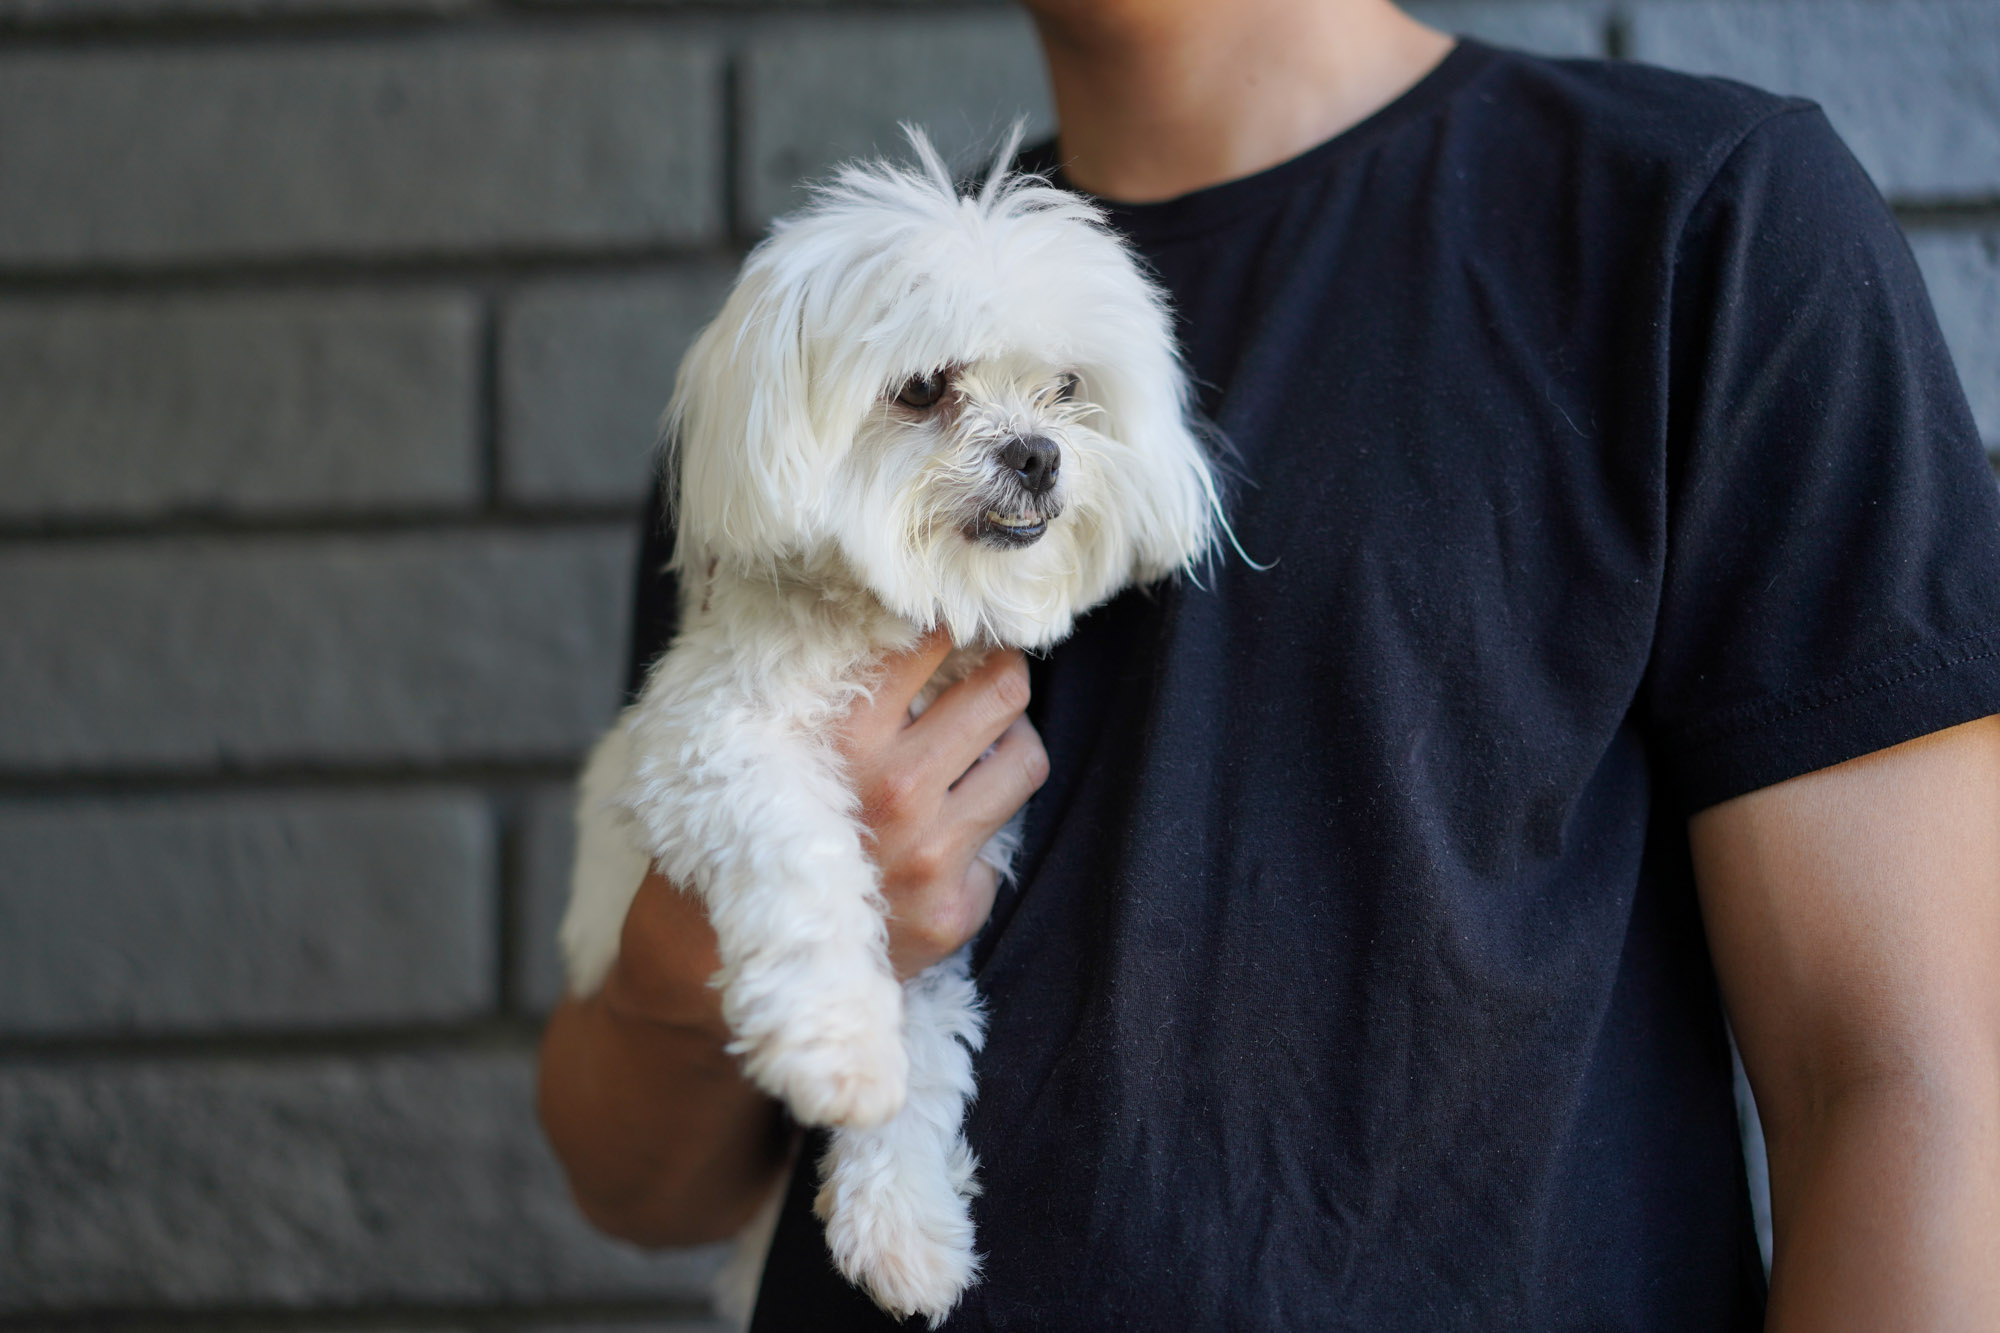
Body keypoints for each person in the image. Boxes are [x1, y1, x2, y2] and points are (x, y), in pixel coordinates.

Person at [538, 0, 2000, 1326]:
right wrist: (718, 928)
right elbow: (645, 1185)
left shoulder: (1700, 225)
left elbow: (1913, 1078)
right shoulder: (816, 358)